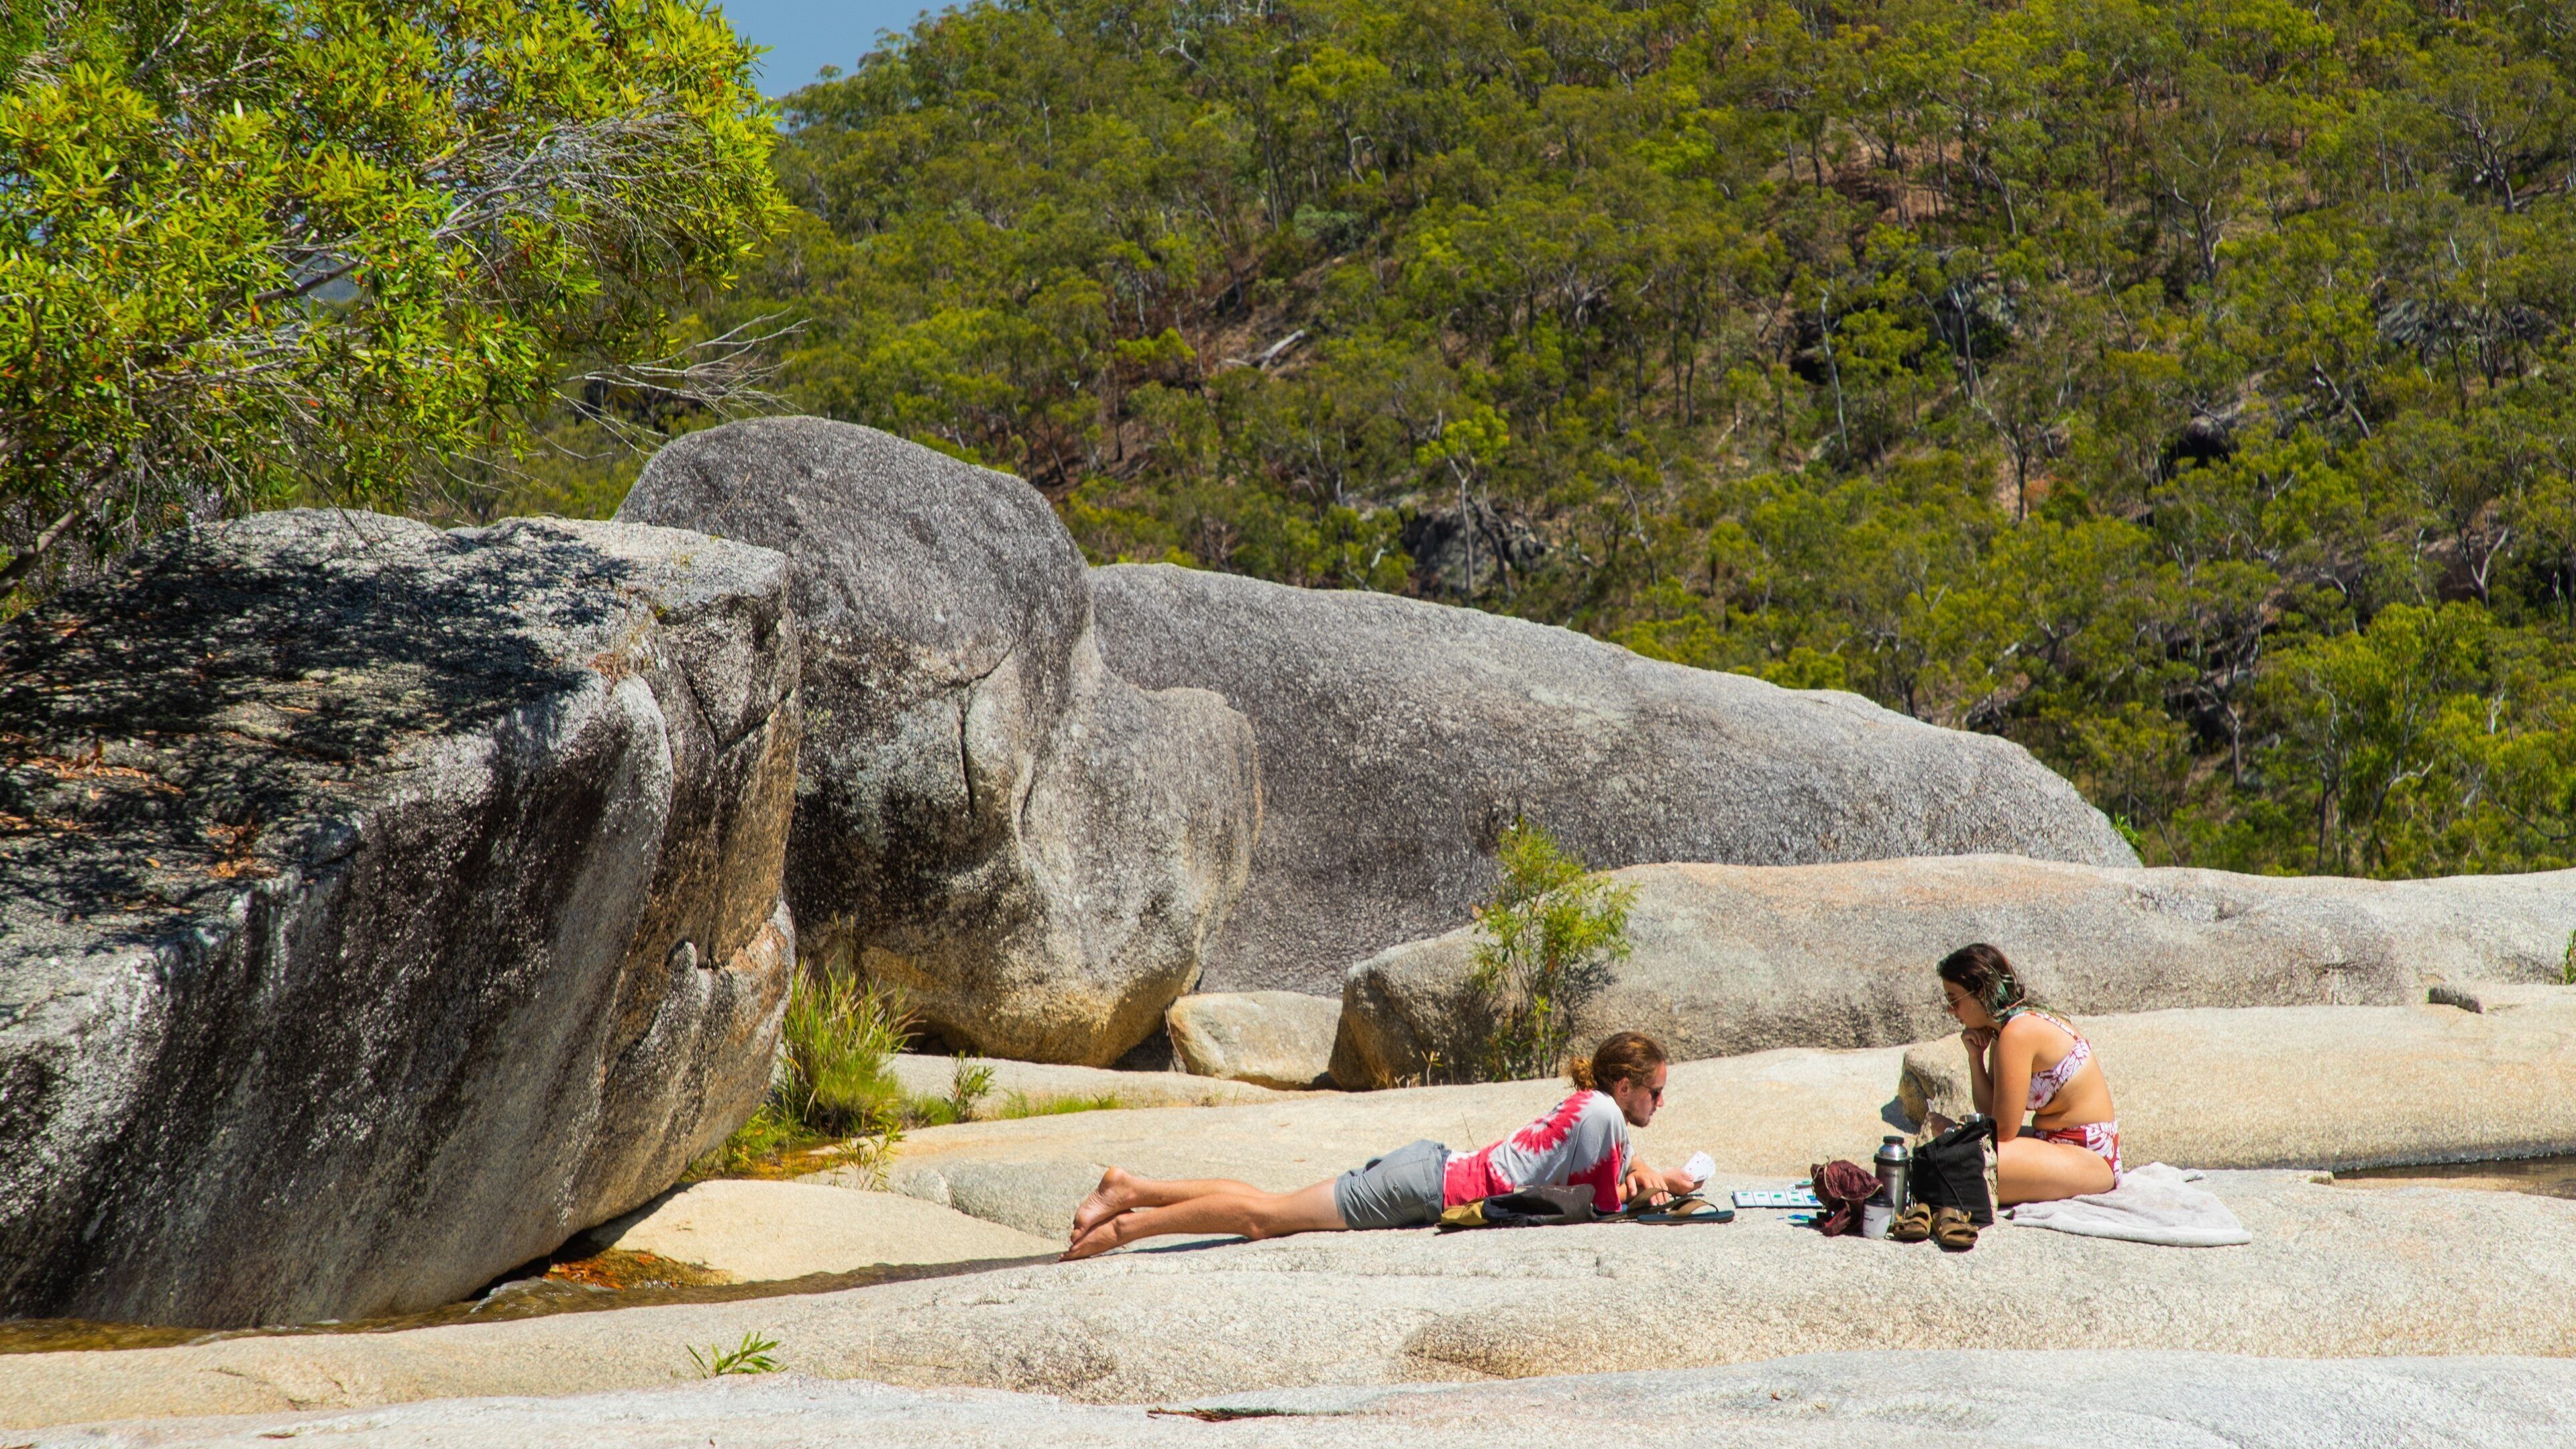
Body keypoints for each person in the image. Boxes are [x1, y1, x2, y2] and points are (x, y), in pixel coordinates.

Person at [1060, 1031, 1700, 1260]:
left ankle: (1131, 1189)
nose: (1659, 1105)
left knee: (1268, 1205)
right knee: (1263, 1219)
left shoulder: (1593, 1104)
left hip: (1426, 1170)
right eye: (1656, 1093)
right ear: (1625, 1085)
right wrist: (1660, 1183)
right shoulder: (1606, 1117)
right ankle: (1128, 1229)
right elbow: (1604, 1207)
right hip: (1423, 1189)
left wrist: (1647, 1170)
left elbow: (1597, 1182)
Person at [1936, 943, 2121, 1204]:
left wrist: (1950, 1132)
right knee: (1957, 1152)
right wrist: (1975, 1058)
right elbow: (1990, 1115)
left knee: (1965, 1162)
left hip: (2090, 1155)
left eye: (1954, 999)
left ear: (1979, 992)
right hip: (2056, 1144)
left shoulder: (2017, 1032)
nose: (1950, 1010)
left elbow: (2002, 1133)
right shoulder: (2004, 1031)